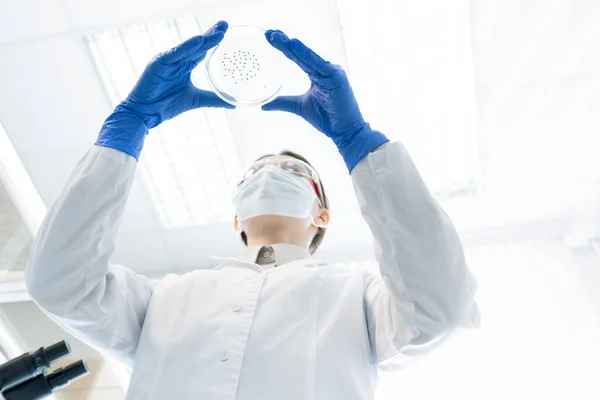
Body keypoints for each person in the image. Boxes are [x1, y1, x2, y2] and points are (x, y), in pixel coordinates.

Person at [25, 21, 480, 400]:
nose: (269, 172)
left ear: (322, 214)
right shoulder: (164, 299)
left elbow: (438, 308)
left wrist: (360, 146)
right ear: (236, 217)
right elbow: (60, 285)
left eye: (290, 168)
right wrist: (125, 132)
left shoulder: (357, 298)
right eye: (255, 171)